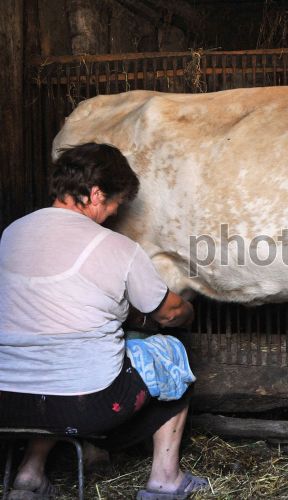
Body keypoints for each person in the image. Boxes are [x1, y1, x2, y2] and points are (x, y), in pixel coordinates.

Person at [0, 143, 208, 499]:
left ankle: (29, 473)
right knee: (175, 351)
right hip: (88, 405)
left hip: (7, 402)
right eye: (114, 203)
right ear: (96, 194)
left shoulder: (11, 233)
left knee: (46, 357)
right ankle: (165, 480)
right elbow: (169, 312)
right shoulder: (116, 247)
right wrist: (188, 312)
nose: (113, 213)